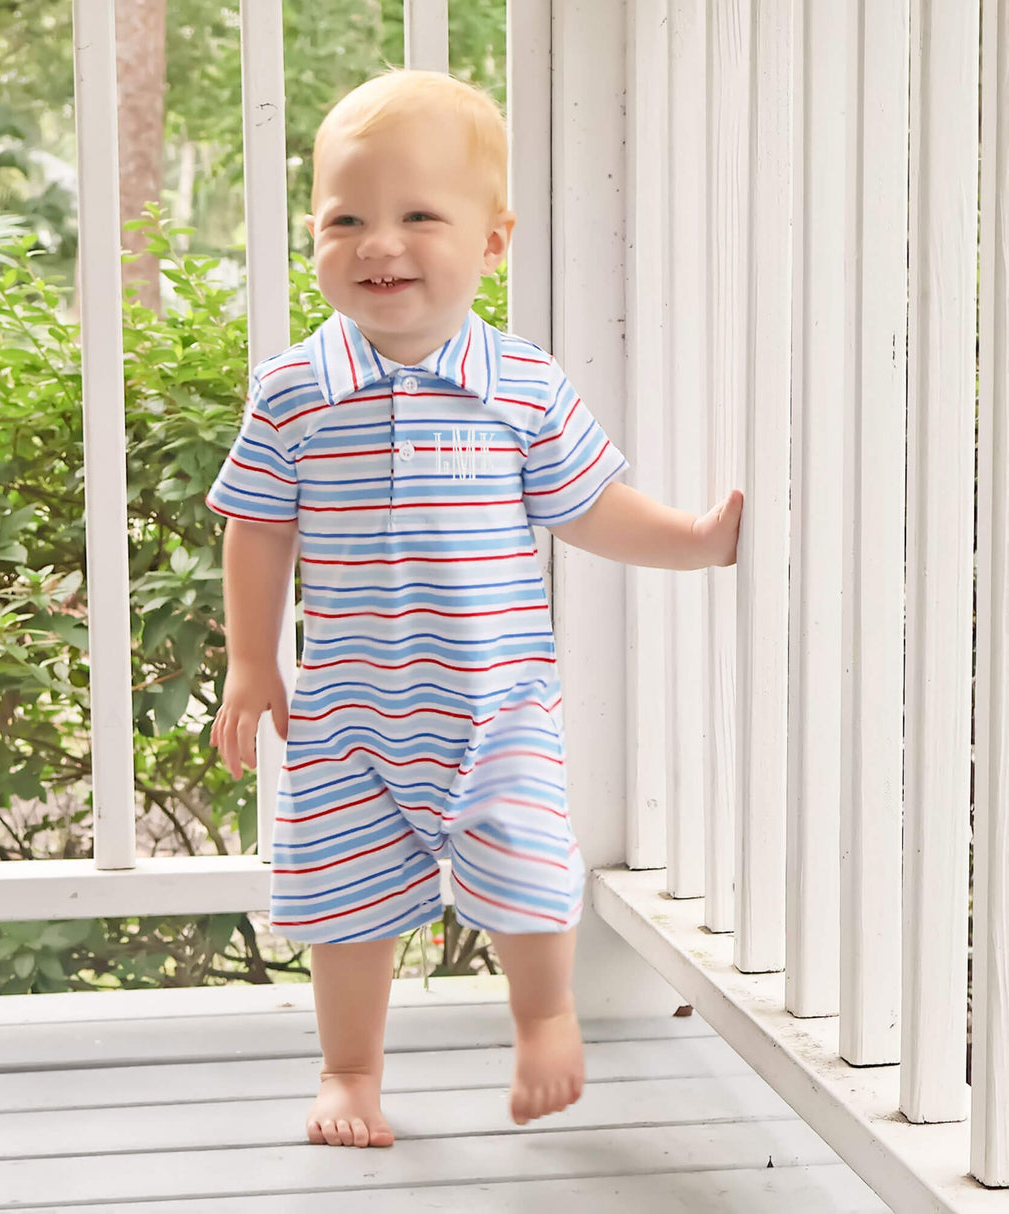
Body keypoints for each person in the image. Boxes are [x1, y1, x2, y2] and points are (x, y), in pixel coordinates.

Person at [205, 69, 743, 1150]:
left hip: (492, 702)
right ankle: (347, 1068)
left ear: (491, 243)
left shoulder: (521, 385)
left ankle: (542, 1015)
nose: (377, 243)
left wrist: (687, 539)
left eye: (416, 216)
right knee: (342, 899)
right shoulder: (295, 390)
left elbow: (586, 504)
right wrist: (253, 664)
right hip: (349, 710)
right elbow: (257, 529)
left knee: (528, 862)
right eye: (344, 218)